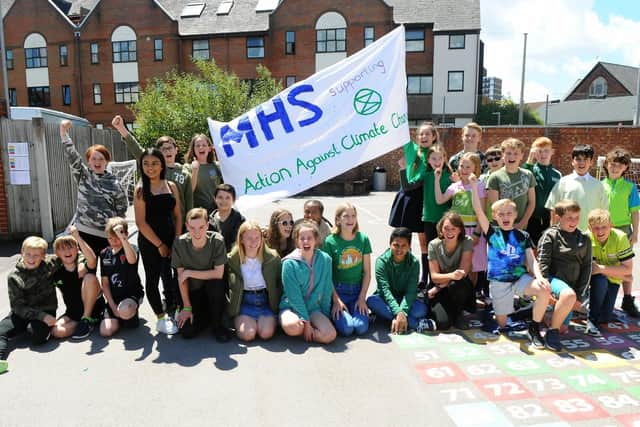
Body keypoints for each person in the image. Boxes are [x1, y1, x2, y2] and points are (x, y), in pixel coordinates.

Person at [470, 176, 552, 349]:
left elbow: (532, 259)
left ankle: (534, 327)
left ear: (515, 215)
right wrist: (473, 186)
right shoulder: (492, 232)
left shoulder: (524, 236)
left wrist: (539, 277)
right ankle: (517, 310)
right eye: (501, 214)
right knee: (502, 323)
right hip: (499, 283)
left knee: (544, 290)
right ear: (495, 216)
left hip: (519, 278)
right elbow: (478, 210)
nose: (505, 217)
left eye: (509, 213)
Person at [60, 120, 128, 257]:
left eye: (101, 159)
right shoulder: (82, 175)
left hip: (106, 236)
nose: (97, 162)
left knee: (106, 277)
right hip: (83, 234)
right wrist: (63, 132)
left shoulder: (114, 183)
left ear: (107, 161)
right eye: (93, 159)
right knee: (86, 273)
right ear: (88, 161)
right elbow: (72, 156)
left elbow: (122, 210)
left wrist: (119, 234)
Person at [112, 115, 193, 230]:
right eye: (163, 149)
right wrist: (121, 128)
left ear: (176, 150)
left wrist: (190, 224)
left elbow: (189, 201)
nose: (167, 151)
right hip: (157, 223)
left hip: (180, 225)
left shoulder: (185, 172)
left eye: (170, 148)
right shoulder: (153, 168)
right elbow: (136, 149)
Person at [133, 148, 182, 335]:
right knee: (152, 280)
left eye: (154, 163)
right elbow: (140, 222)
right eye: (146, 163)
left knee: (178, 276)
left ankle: (178, 309)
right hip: (150, 242)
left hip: (172, 238)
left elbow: (178, 215)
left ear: (162, 165)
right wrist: (160, 245)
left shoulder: (171, 185)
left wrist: (177, 239)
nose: (150, 167)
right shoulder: (140, 190)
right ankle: (161, 318)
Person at [0, 237, 61, 374]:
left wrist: (81, 263)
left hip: (46, 309)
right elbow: (18, 307)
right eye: (28, 254)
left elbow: (70, 254)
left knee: (36, 337)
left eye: (36, 255)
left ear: (43, 256)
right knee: (1, 331)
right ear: (22, 252)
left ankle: (32, 329)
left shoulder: (49, 263)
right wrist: (42, 316)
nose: (31, 259)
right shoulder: (14, 276)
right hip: (23, 312)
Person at [389, 122, 439, 286]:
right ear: (416, 137)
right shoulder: (411, 150)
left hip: (424, 200)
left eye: (427, 134)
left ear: (434, 137)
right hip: (408, 199)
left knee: (425, 243)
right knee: (403, 241)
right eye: (421, 134)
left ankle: (425, 277)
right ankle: (402, 277)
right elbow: (398, 129)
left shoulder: (435, 155)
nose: (424, 137)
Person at [172, 208, 231, 342]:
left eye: (201, 227)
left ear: (208, 225)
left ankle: (217, 325)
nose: (197, 232)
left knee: (216, 283)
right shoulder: (179, 243)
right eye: (192, 228)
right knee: (187, 332)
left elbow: (218, 273)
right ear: (186, 226)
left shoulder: (217, 241)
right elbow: (181, 279)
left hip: (212, 291)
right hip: (192, 292)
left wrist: (189, 272)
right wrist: (187, 307)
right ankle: (207, 317)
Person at [537, 200, 588, 347]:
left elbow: (587, 268)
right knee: (568, 295)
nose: (574, 221)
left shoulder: (584, 239)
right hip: (553, 281)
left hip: (572, 287)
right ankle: (551, 333)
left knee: (563, 328)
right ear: (559, 218)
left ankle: (544, 316)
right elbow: (542, 263)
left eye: (577, 217)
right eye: (569, 218)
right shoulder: (550, 235)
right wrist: (546, 288)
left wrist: (580, 295)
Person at [401, 144, 452, 286]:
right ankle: (431, 281)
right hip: (429, 219)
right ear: (428, 160)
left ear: (444, 159)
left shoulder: (450, 176)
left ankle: (443, 283)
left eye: (440, 158)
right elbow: (408, 187)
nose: (437, 161)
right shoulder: (426, 175)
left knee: (445, 253)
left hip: (445, 221)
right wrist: (403, 168)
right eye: (433, 158)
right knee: (432, 252)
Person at [279, 221, 336, 344]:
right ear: (297, 241)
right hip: (291, 307)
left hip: (313, 308)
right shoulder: (289, 264)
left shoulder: (325, 260)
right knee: (294, 327)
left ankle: (309, 333)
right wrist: (306, 320)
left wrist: (325, 316)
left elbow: (326, 290)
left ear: (316, 240)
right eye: (302, 238)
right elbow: (293, 296)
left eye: (309, 238)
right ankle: (302, 329)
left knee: (330, 335)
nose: (306, 241)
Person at [435, 152, 487, 287]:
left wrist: (477, 233)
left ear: (475, 169)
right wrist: (437, 179)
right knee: (458, 265)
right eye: (461, 166)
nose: (464, 170)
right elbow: (440, 200)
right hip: (457, 232)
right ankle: (458, 296)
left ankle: (472, 295)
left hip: (473, 231)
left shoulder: (480, 186)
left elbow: (481, 213)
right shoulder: (455, 186)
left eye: (468, 167)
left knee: (472, 266)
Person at [601, 148, 640, 317]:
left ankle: (627, 299)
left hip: (623, 229)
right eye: (612, 164)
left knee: (625, 265)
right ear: (606, 165)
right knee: (602, 262)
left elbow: (635, 212)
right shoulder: (600, 185)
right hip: (602, 229)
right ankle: (599, 296)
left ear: (625, 168)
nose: (615, 168)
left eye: (620, 165)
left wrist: (635, 232)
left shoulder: (630, 187)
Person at [367, 227, 429, 334]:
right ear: (390, 244)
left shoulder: (414, 262)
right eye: (396, 245)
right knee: (371, 301)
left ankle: (391, 319)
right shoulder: (381, 262)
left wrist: (402, 312)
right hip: (386, 300)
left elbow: (411, 292)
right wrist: (399, 312)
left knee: (421, 309)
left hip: (405, 300)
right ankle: (414, 323)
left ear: (409, 247)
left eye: (403, 245)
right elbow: (385, 291)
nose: (399, 249)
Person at [323, 203, 372, 337]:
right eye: (346, 216)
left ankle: (354, 312)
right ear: (338, 220)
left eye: (353, 216)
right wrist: (336, 300)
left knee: (361, 328)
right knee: (347, 329)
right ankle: (337, 315)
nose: (350, 220)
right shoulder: (329, 241)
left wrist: (362, 298)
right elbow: (327, 275)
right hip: (338, 291)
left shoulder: (363, 239)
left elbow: (367, 272)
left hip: (357, 291)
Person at [227, 221, 282, 342]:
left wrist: (277, 303)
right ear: (241, 239)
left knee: (265, 333)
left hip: (265, 301)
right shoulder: (232, 259)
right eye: (249, 238)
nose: (254, 241)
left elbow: (280, 282)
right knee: (248, 335)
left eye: (257, 237)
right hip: (244, 302)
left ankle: (267, 321)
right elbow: (225, 285)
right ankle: (239, 320)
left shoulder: (272, 258)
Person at [586, 209, 634, 336]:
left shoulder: (620, 237)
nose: (600, 231)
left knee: (605, 318)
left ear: (611, 226)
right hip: (592, 280)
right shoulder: (586, 238)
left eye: (604, 227)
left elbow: (628, 269)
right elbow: (586, 269)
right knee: (600, 280)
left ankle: (586, 306)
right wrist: (619, 273)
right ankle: (591, 320)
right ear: (589, 228)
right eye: (596, 228)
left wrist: (601, 269)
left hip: (612, 280)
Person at [51, 226, 104, 340]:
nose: (67, 251)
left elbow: (92, 260)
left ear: (77, 249)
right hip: (73, 313)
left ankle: (88, 319)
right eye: (62, 249)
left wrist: (78, 238)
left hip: (94, 310)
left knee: (90, 277)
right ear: (57, 253)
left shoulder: (83, 264)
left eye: (70, 247)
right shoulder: (56, 272)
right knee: (56, 331)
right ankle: (83, 323)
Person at [426, 212, 474, 330]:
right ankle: (447, 312)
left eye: (454, 228)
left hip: (457, 286)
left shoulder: (467, 241)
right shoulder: (433, 244)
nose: (450, 232)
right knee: (443, 324)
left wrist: (440, 287)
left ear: (460, 230)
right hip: (440, 287)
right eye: (446, 228)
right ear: (441, 229)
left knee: (458, 284)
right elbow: (434, 276)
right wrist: (448, 279)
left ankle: (459, 312)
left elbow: (464, 271)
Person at [545, 144, 608, 232]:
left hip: (591, 233)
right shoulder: (563, 182)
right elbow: (553, 208)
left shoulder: (598, 185)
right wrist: (553, 230)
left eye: (585, 159)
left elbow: (604, 211)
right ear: (572, 161)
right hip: (566, 233)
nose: (581, 163)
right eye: (578, 159)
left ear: (591, 162)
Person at [99, 218, 144, 338]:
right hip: (114, 298)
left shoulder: (131, 248)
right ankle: (118, 317)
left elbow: (132, 260)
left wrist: (122, 238)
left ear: (126, 235)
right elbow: (105, 283)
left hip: (131, 295)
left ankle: (128, 313)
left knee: (125, 311)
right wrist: (112, 306)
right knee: (105, 331)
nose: (114, 241)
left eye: (117, 237)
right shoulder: (104, 254)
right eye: (110, 238)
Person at [486, 138, 536, 231]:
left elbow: (532, 202)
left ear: (521, 156)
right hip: (500, 228)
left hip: (522, 227)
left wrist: (522, 223)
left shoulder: (528, 175)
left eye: (516, 153)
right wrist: (507, 226)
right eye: (508, 153)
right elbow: (495, 207)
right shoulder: (495, 177)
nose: (512, 157)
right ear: (502, 155)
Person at [523, 137, 561, 245]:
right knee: (531, 247)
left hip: (549, 218)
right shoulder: (530, 170)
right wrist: (530, 158)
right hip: (532, 217)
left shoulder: (557, 174)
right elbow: (524, 176)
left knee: (547, 246)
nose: (543, 154)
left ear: (552, 152)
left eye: (546, 151)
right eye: (539, 151)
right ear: (534, 152)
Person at [184, 134, 223, 214]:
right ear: (193, 149)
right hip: (199, 212)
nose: (201, 147)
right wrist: (195, 171)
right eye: (197, 146)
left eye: (204, 145)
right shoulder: (188, 167)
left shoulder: (217, 166)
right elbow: (189, 191)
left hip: (218, 210)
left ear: (209, 148)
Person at [209, 184, 246, 252]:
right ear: (215, 199)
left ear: (234, 200)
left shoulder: (240, 220)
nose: (224, 201)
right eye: (220, 197)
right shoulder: (208, 220)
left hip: (232, 259)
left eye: (227, 198)